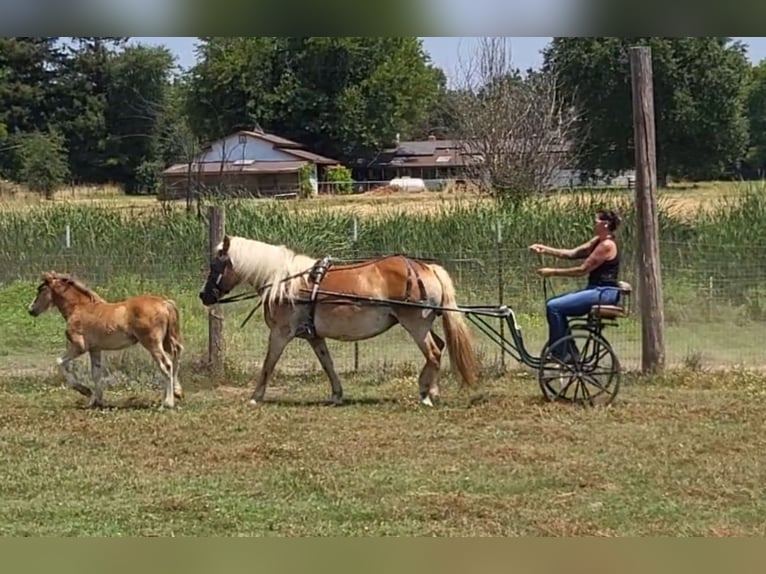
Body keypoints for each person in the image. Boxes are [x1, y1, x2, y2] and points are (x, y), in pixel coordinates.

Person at [529, 208, 622, 361]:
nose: (594, 223)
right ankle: (569, 352)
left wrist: (552, 272)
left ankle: (561, 353)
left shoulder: (607, 245)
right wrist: (545, 249)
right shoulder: (597, 241)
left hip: (604, 293)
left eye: (596, 221)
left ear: (605, 224)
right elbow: (572, 254)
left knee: (554, 306)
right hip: (596, 290)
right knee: (557, 307)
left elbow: (582, 270)